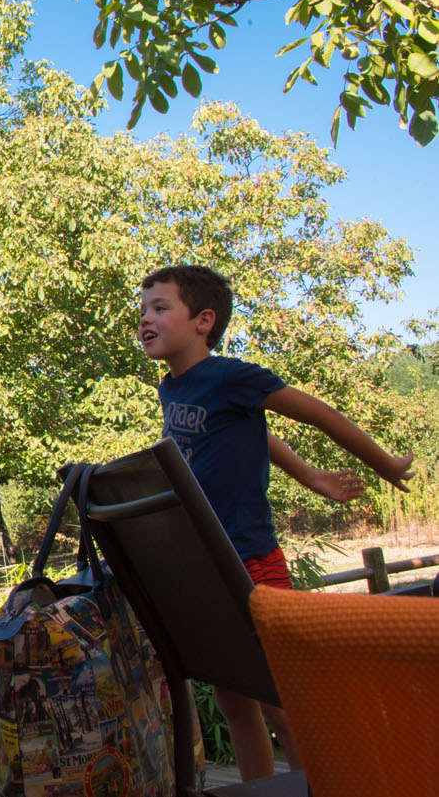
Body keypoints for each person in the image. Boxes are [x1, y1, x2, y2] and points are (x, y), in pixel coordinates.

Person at [138, 264, 414, 781]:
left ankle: (318, 786)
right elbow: (248, 434)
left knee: (280, 703)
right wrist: (308, 474)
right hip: (205, 559)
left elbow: (316, 414)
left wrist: (384, 464)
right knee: (232, 697)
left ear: (203, 321)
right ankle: (260, 789)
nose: (145, 318)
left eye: (159, 307)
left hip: (250, 557)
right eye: (143, 309)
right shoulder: (172, 388)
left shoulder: (232, 376)